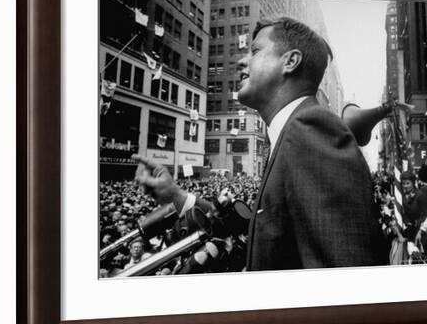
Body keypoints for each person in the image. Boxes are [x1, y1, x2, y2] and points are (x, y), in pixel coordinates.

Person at [135, 17, 380, 271]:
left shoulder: (311, 129)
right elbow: (259, 228)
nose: (242, 61)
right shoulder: (293, 134)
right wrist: (177, 195)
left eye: (255, 51)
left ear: (290, 62)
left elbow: (343, 276)